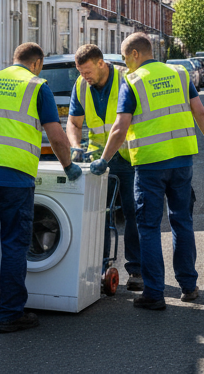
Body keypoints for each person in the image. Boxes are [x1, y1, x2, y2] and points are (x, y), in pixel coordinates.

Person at [0, 42, 80, 333]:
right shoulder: (37, 87)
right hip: (15, 180)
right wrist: (69, 167)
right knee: (13, 245)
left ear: (14, 60)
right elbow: (57, 136)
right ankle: (10, 314)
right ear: (37, 63)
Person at [91, 33, 204, 310]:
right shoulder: (180, 74)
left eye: (126, 58)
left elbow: (120, 127)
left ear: (136, 54)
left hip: (150, 164)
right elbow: (200, 112)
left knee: (149, 227)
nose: (125, 66)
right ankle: (188, 286)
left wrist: (104, 159)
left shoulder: (133, 81)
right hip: (181, 161)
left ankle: (154, 292)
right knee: (182, 222)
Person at [66, 43, 143, 292]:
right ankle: (98, 269)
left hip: (128, 158)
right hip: (97, 160)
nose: (84, 77)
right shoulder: (80, 85)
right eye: (80, 72)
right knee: (98, 215)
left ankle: (136, 270)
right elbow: (74, 123)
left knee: (134, 215)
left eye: (87, 71)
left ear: (101, 63)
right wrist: (76, 146)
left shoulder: (126, 78)